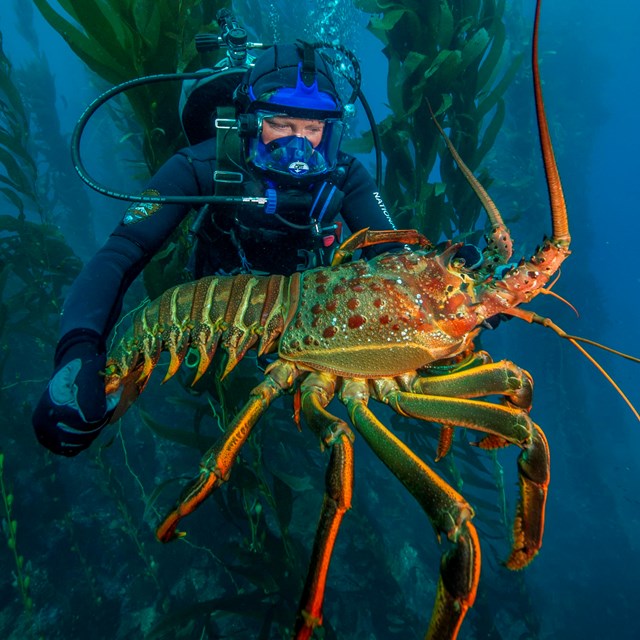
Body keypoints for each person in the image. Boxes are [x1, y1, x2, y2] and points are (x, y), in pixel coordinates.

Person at [32, 42, 398, 457]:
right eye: (280, 124)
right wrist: (77, 350)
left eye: (313, 130)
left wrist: (457, 260)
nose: (300, 148)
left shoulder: (345, 175)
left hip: (304, 325)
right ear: (248, 121)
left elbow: (397, 256)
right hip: (212, 302)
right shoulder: (202, 165)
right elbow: (122, 251)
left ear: (331, 130)